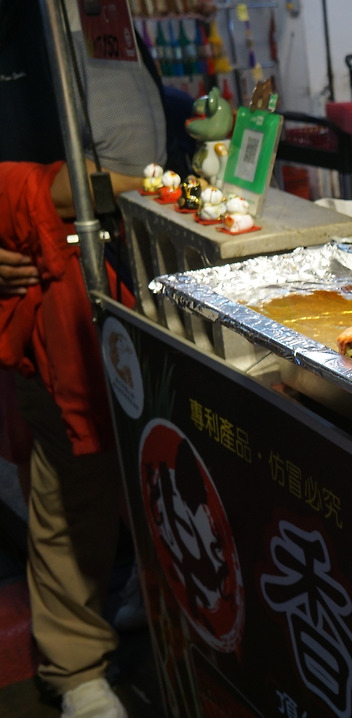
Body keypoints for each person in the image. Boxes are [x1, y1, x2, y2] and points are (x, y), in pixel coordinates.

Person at [0, 0, 166, 715]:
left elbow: (142, 128)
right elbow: (89, 176)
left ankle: (137, 593)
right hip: (48, 273)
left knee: (148, 451)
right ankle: (75, 670)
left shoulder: (105, 14)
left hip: (134, 263)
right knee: (74, 473)